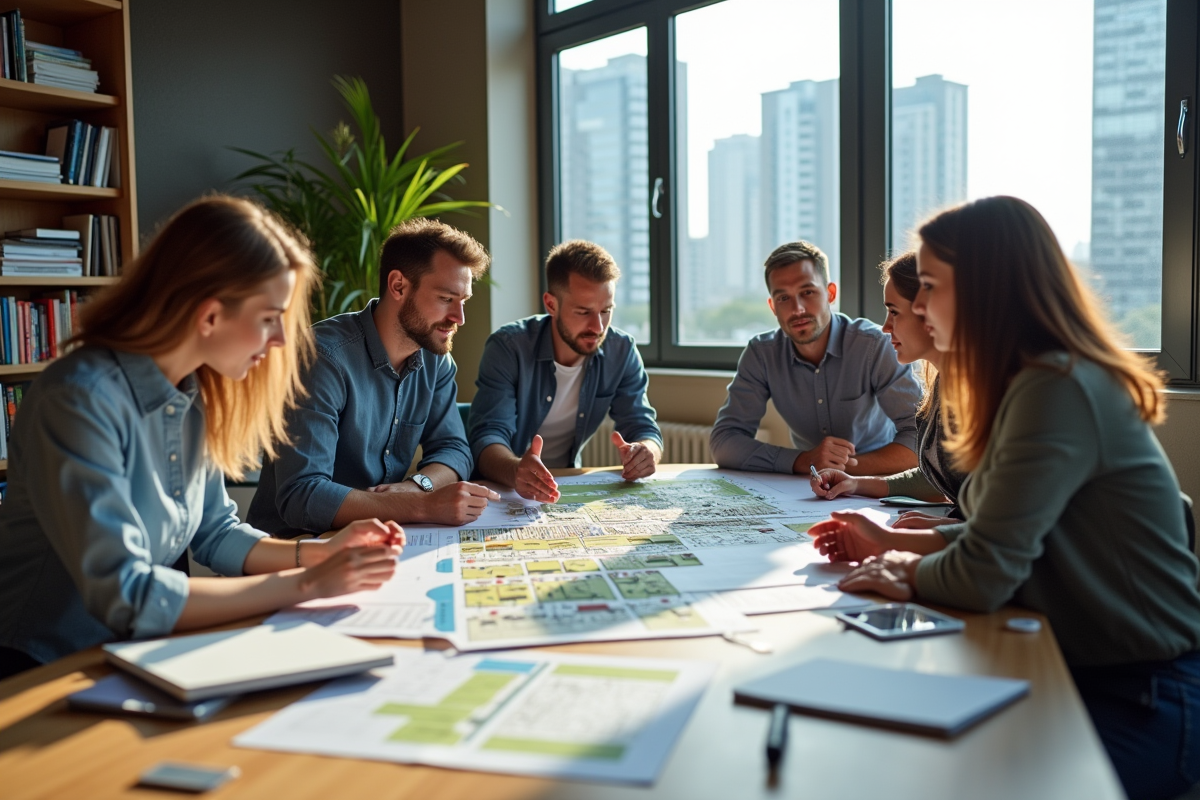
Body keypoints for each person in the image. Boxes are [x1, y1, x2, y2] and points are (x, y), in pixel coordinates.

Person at [809, 196, 1200, 800]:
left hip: (1145, 692)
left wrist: (906, 566)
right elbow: (987, 531)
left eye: (930, 286)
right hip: (1088, 669)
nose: (916, 305)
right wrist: (896, 548)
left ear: (987, 289)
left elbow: (984, 572)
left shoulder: (1056, 387)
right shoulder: (1028, 382)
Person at [0, 197, 405, 680]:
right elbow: (126, 594)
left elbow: (215, 533)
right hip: (40, 668)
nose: (279, 341)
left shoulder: (194, 392)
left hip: (139, 657)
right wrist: (305, 584)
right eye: (269, 317)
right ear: (209, 316)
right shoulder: (78, 400)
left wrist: (324, 551)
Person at [248, 218, 500, 535]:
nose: (458, 318)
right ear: (398, 286)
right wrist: (421, 506)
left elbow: (454, 449)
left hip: (377, 541)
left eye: (463, 302)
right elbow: (302, 496)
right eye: (446, 299)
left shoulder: (436, 360)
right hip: (294, 552)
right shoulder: (321, 358)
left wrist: (418, 487)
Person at [469, 240, 662, 502]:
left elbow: (643, 427)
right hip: (505, 489)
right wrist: (517, 471)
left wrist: (647, 452)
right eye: (583, 311)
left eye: (606, 311)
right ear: (551, 304)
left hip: (566, 485)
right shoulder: (508, 347)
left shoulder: (621, 350)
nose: (598, 326)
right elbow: (488, 436)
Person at [711, 240, 921, 478]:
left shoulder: (875, 345)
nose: (797, 309)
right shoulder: (761, 354)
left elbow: (920, 438)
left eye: (807, 292)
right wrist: (803, 461)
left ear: (831, 293)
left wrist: (841, 471)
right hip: (808, 487)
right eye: (783, 298)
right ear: (772, 306)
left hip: (876, 485)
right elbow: (724, 441)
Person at [809, 252, 966, 523]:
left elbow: (1005, 516)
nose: (884, 327)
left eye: (893, 311)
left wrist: (941, 528)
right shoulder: (942, 382)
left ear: (930, 313)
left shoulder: (983, 391)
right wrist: (856, 483)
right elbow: (943, 475)